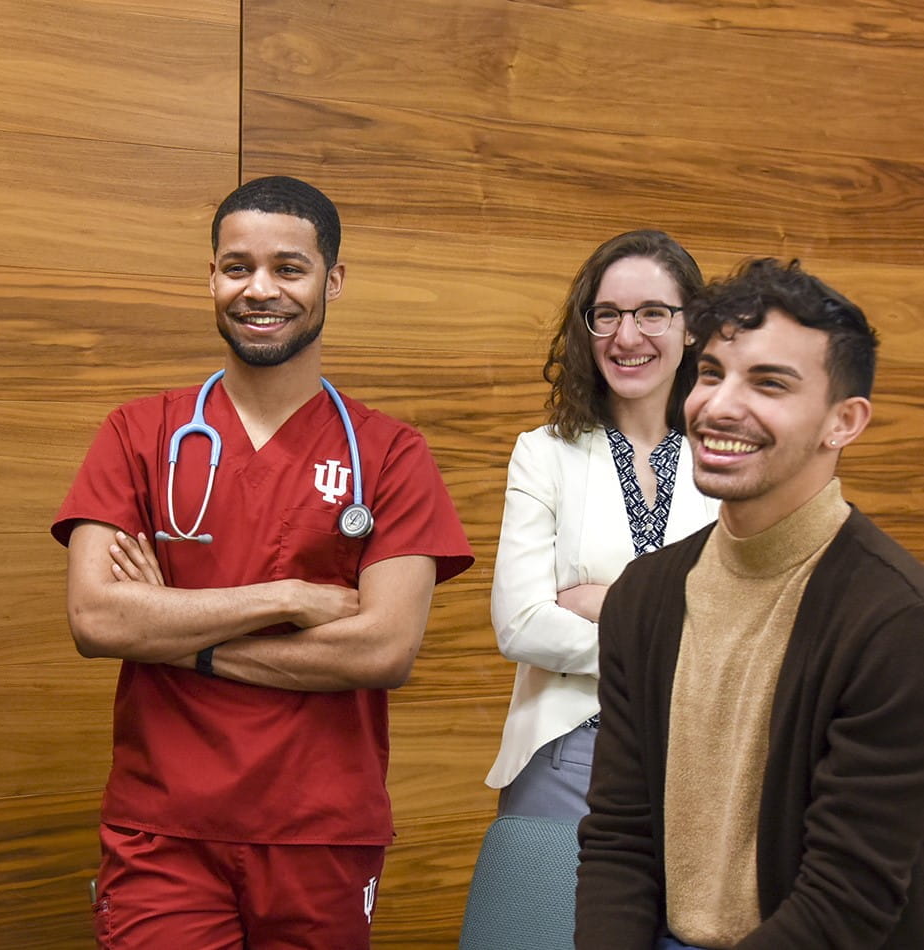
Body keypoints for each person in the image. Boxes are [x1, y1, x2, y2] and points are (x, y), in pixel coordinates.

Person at [51, 175, 473, 948]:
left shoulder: (390, 454)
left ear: (331, 280)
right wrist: (290, 596)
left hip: (322, 829)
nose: (259, 289)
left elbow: (382, 647)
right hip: (164, 827)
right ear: (210, 276)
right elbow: (97, 616)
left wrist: (177, 636)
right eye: (236, 266)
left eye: (288, 267)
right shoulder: (140, 433)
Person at [576, 258, 924, 949]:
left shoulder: (894, 617)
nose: (717, 405)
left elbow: (845, 900)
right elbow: (619, 841)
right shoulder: (642, 597)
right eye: (709, 374)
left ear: (842, 422)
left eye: (767, 383)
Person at [486, 230, 718, 820]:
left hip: (702, 758)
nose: (627, 336)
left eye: (653, 314)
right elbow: (520, 626)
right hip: (569, 753)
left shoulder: (729, 458)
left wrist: (607, 602)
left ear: (690, 327)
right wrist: (675, 633)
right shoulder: (544, 454)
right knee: (546, 917)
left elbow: (749, 623)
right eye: (607, 315)